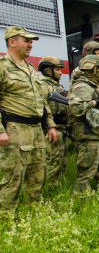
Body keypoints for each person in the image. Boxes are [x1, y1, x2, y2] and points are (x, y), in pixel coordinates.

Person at [0, 26, 58, 216]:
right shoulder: (2, 66)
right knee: (13, 178)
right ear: (12, 42)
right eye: (26, 40)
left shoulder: (31, 69)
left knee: (37, 177)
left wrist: (50, 125)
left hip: (36, 131)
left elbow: (41, 99)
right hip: (15, 130)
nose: (30, 45)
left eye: (31, 41)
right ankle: (6, 222)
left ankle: (31, 218)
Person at [68, 55, 99, 197]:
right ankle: (83, 203)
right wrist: (96, 101)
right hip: (90, 135)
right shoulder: (83, 86)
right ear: (91, 69)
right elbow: (76, 109)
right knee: (87, 172)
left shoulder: (97, 86)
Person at [38, 56, 69, 190]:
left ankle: (58, 190)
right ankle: (50, 192)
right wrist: (50, 126)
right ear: (47, 70)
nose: (60, 73)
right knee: (52, 162)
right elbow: (42, 107)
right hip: (51, 129)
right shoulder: (42, 84)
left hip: (62, 128)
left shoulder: (58, 86)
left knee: (62, 162)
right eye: (57, 69)